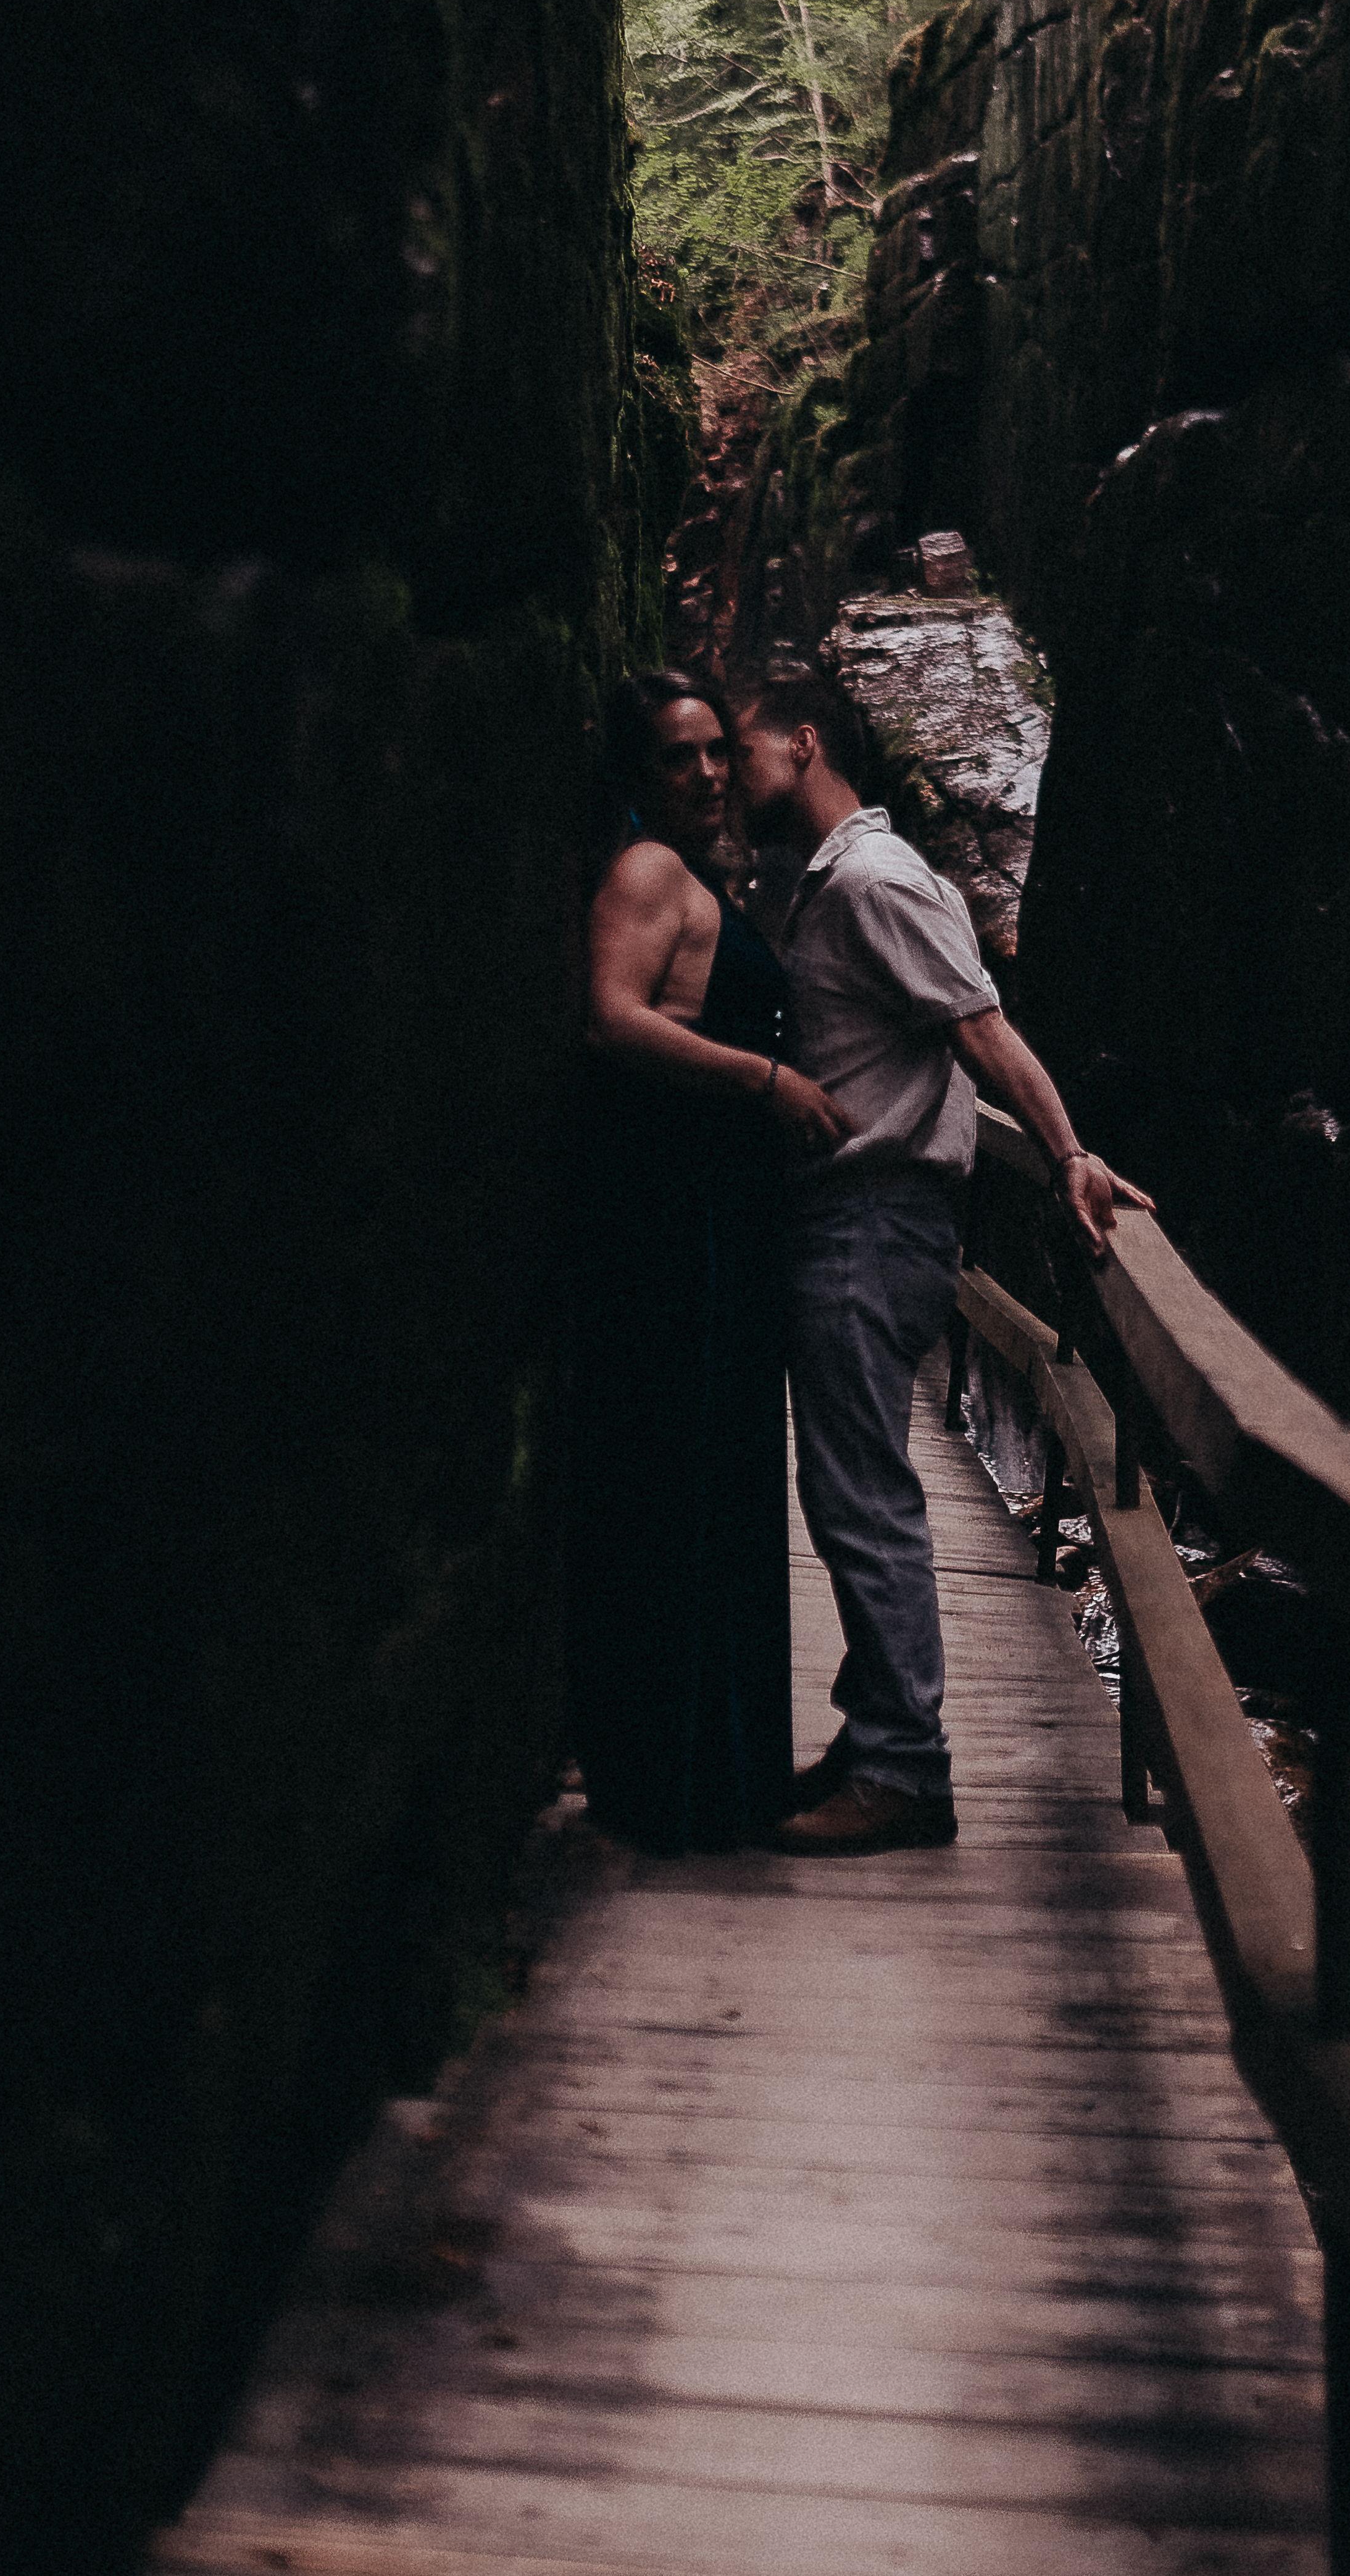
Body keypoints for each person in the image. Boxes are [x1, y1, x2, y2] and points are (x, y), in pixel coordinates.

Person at [737, 656, 1127, 1854]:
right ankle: (874, 1737)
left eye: (740, 747)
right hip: (853, 1216)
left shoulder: (874, 879)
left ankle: (906, 1771)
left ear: (805, 742)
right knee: (844, 1487)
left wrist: (1065, 1151)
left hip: (874, 1218)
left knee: (862, 1495)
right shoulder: (821, 881)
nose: (724, 772)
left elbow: (980, 1029)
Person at [569, 669, 854, 1850]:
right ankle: (675, 1775)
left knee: (721, 1467)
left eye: (711, 753)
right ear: (641, 776)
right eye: (676, 757)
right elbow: (611, 1014)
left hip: (719, 1211)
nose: (702, 773)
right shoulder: (647, 873)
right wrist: (769, 1080)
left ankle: (718, 1767)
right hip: (674, 1211)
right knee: (683, 1466)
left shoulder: (703, 877)